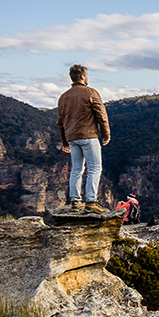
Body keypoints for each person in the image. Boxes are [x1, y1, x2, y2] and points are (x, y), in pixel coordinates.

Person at [56, 64, 111, 213]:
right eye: (86, 74)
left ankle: (75, 201)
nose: (87, 77)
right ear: (82, 76)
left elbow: (60, 122)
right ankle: (91, 202)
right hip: (89, 136)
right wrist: (106, 134)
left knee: (76, 169)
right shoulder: (90, 92)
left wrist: (64, 141)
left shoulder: (64, 97)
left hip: (72, 138)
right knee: (94, 168)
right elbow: (101, 114)